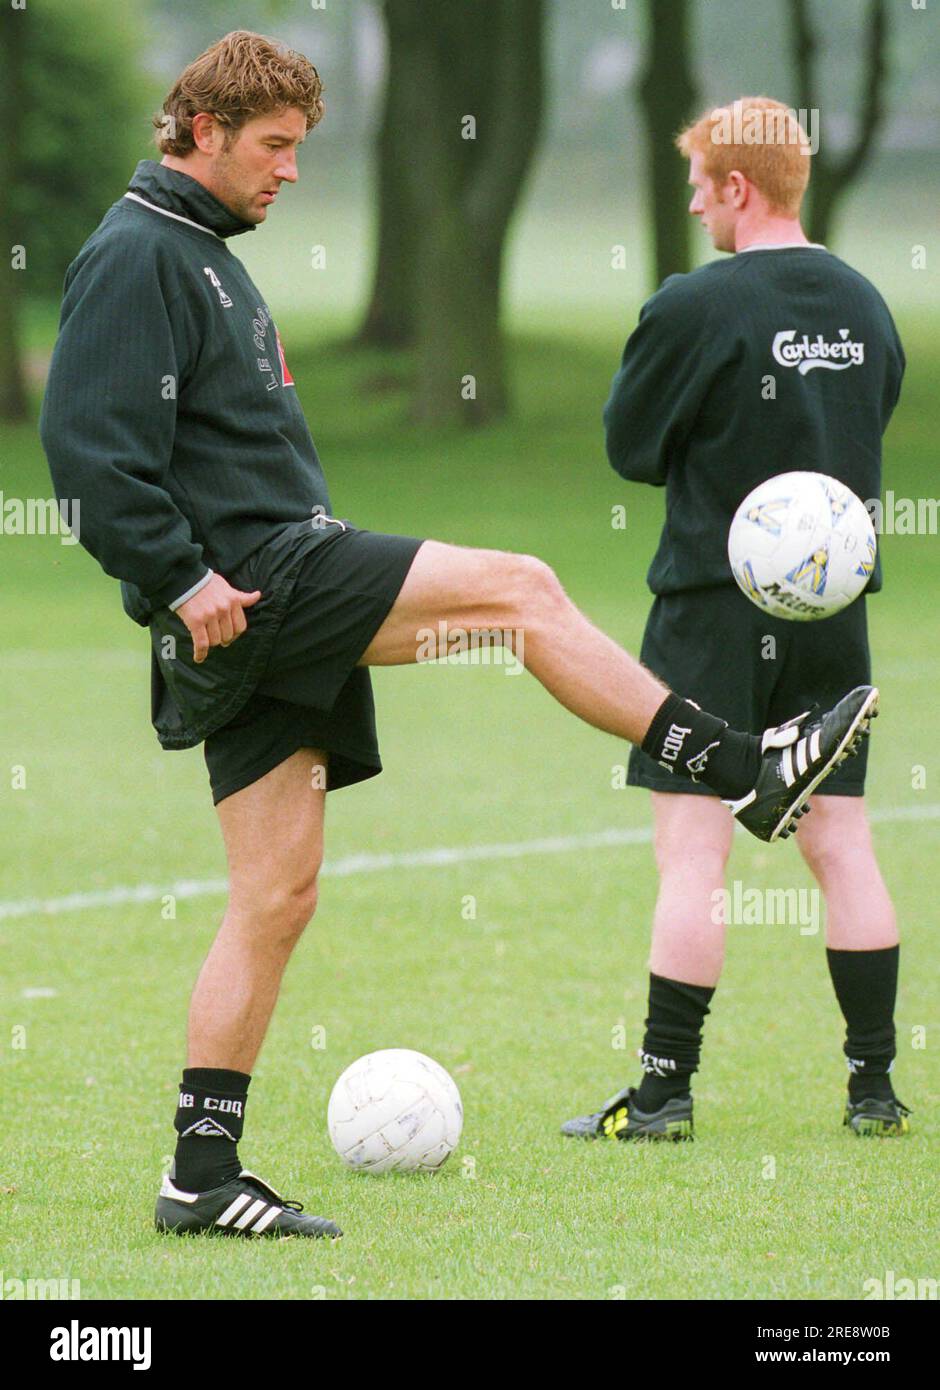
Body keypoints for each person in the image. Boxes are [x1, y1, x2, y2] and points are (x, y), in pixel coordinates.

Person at [40, 41, 877, 1242]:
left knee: (273, 896)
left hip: (265, 600)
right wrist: (176, 577)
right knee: (523, 591)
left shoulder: (206, 254)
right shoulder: (138, 253)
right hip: (264, 577)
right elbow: (85, 452)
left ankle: (198, 1174)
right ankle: (742, 769)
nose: (288, 172)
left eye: (298, 149)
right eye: (272, 147)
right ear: (200, 128)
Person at [562, 97, 907, 1147]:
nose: (692, 202)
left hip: (712, 605)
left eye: (698, 185)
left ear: (737, 187)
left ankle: (663, 1093)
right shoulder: (864, 300)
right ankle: (873, 1090)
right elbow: (874, 405)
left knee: (692, 852)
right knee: (841, 839)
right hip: (830, 603)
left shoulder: (694, 304)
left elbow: (628, 445)